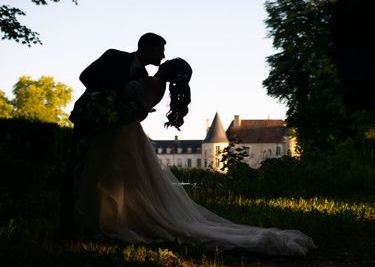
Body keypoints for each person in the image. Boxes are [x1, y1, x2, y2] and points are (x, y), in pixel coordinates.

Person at [72, 57, 316, 256]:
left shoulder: (153, 84)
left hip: (121, 134)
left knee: (111, 180)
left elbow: (130, 104)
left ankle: (106, 221)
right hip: (125, 135)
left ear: (170, 71)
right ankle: (113, 218)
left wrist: (111, 106)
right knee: (127, 183)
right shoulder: (153, 84)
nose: (163, 58)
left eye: (169, 61)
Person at [60, 32, 166, 239]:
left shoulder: (144, 77)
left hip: (113, 129)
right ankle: (67, 223)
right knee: (76, 168)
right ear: (145, 47)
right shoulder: (114, 57)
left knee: (101, 174)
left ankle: (95, 220)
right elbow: (86, 77)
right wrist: (109, 98)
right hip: (91, 117)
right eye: (159, 50)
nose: (162, 55)